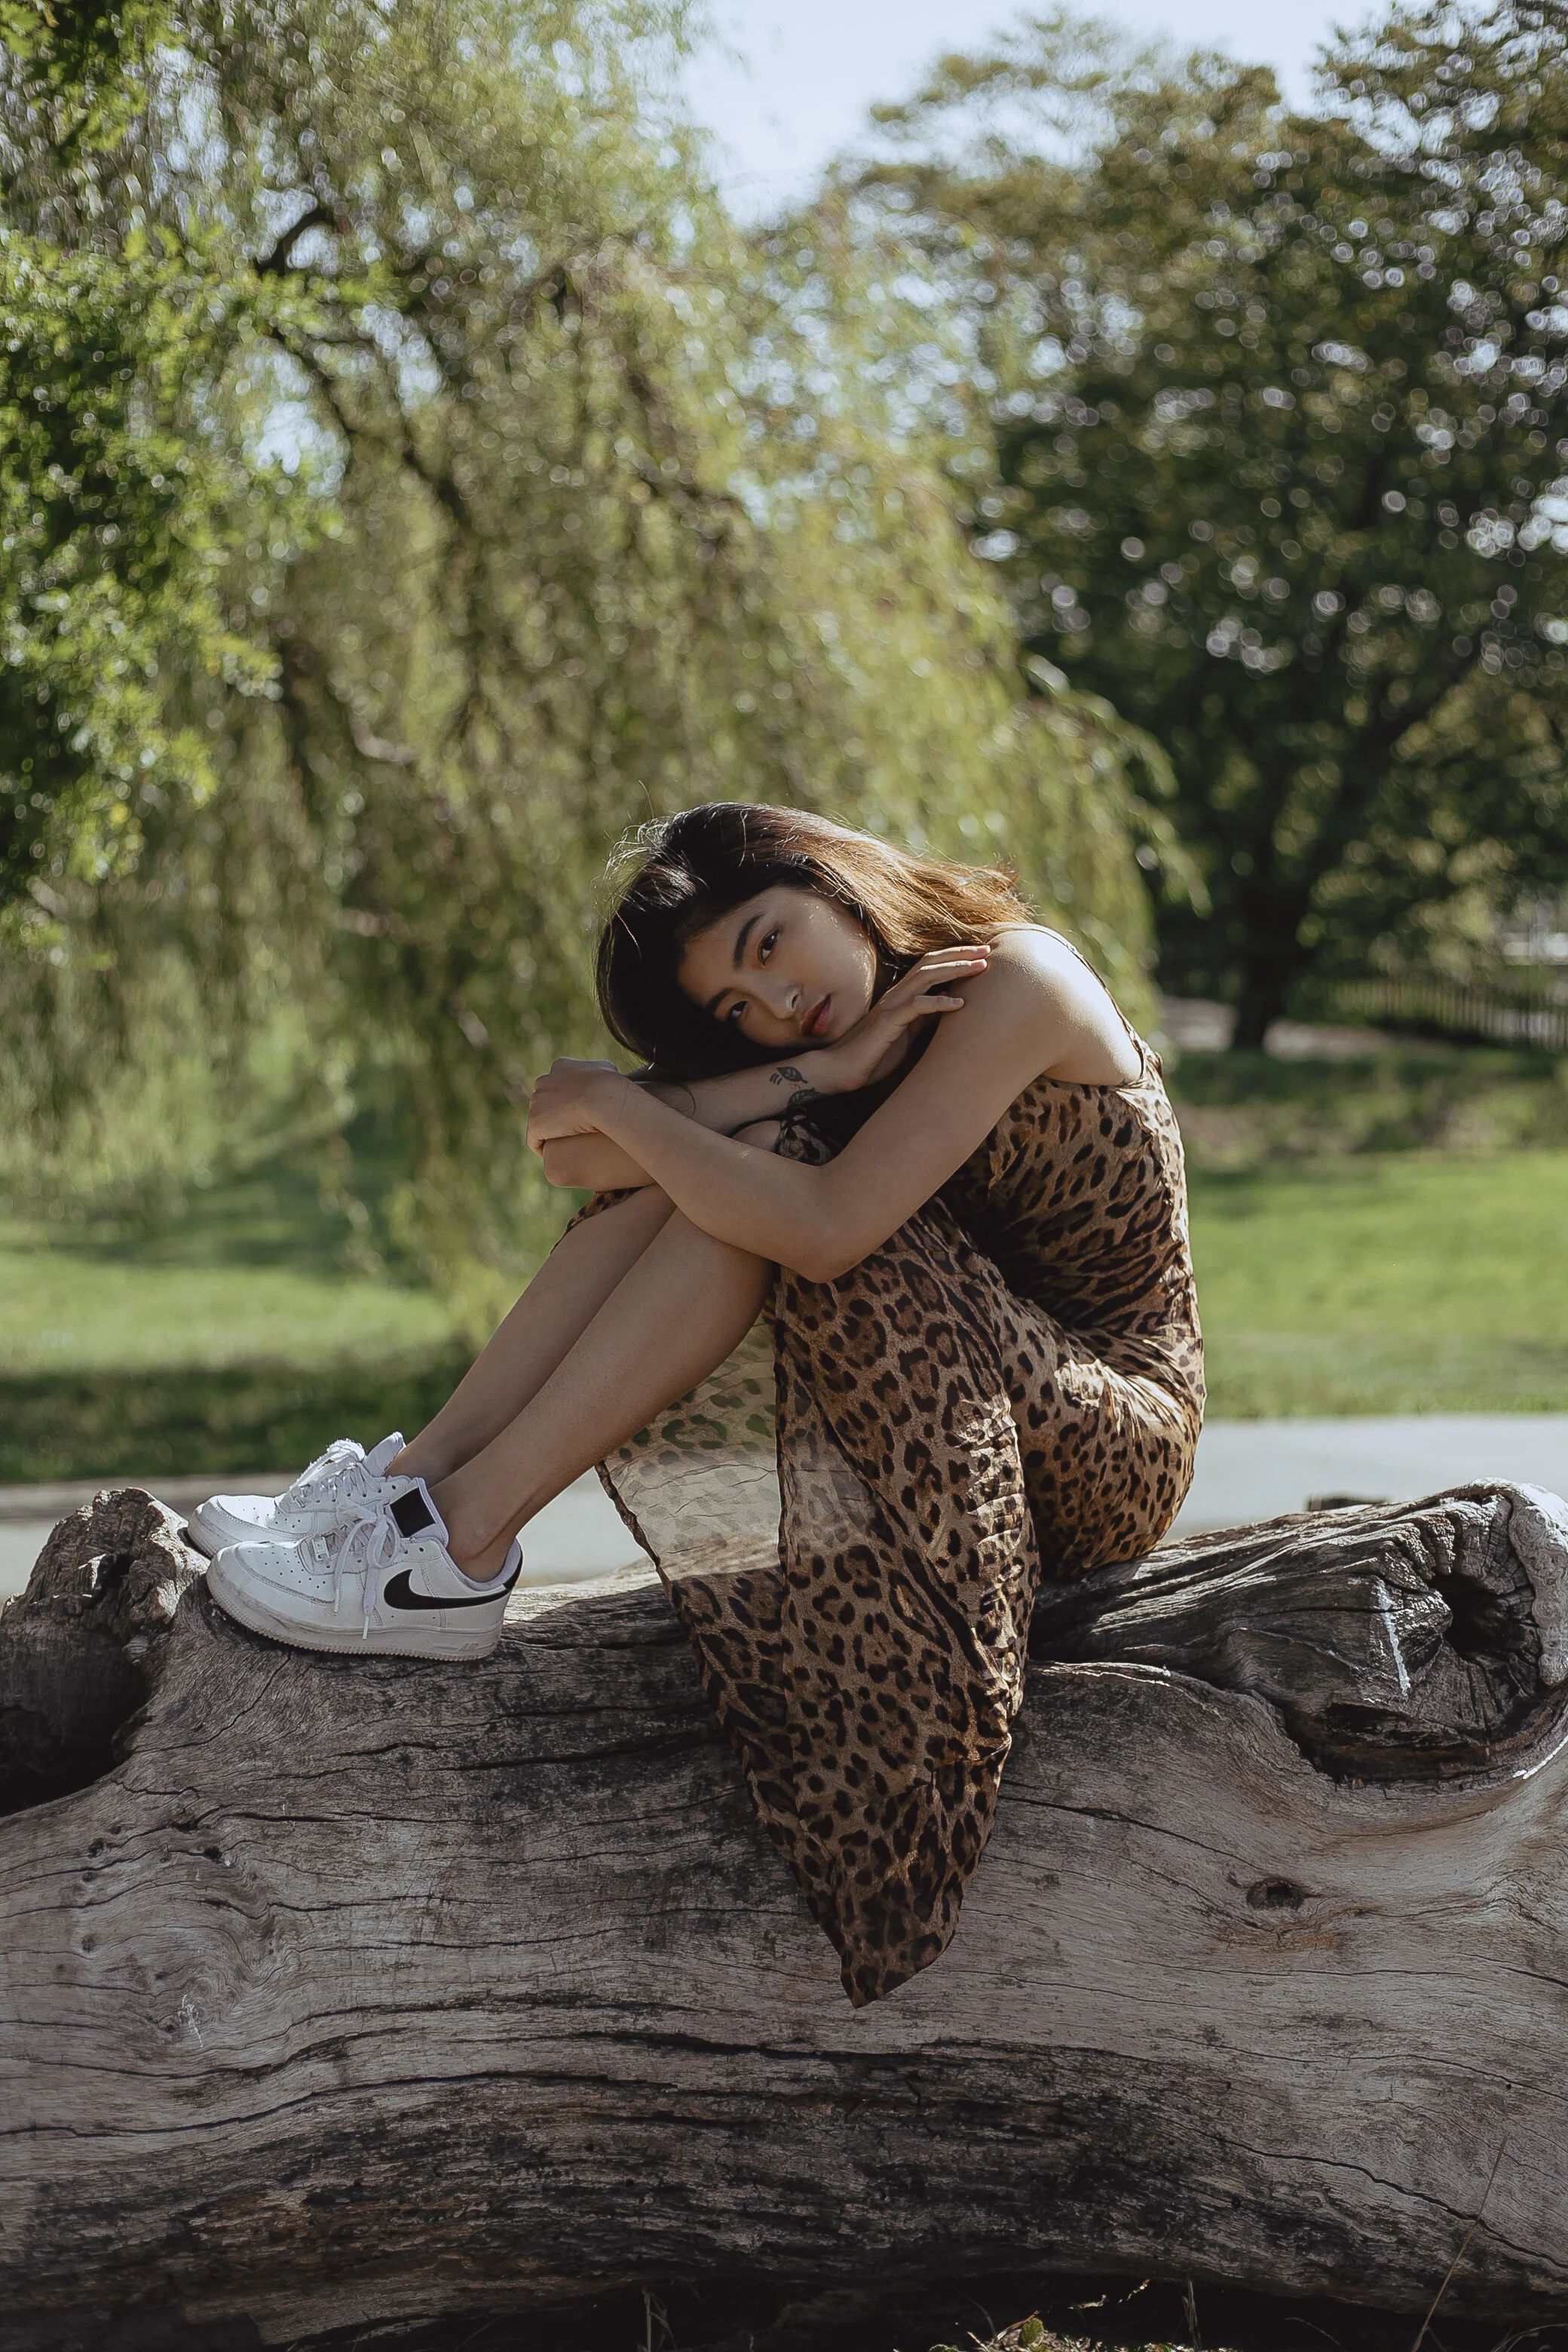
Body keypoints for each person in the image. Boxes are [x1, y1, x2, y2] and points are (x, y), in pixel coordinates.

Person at [198, 802, 1203, 2004]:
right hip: (988, 1366)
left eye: (771, 944)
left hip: (1110, 1430)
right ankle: (411, 1495)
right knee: (721, 1175)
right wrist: (822, 1072)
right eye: (736, 1007)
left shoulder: (1014, 978)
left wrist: (643, 1109)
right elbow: (564, 1151)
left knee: (757, 1184)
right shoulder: (852, 1035)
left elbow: (824, 1231)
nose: (774, 1005)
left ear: (833, 881)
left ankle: (455, 1548)